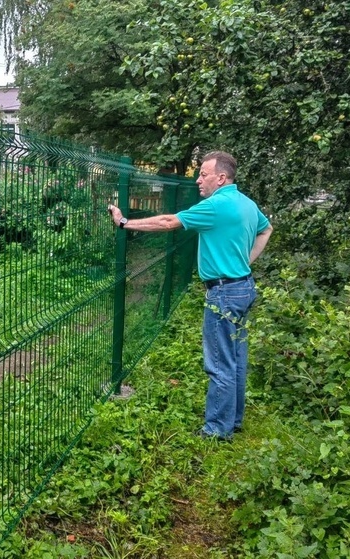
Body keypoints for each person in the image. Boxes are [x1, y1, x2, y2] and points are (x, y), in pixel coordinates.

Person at [109, 151, 273, 440]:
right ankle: (232, 421)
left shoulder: (216, 205)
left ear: (221, 178)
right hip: (244, 287)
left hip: (223, 292)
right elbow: (266, 229)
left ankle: (216, 432)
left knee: (220, 363)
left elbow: (167, 222)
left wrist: (124, 223)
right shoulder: (245, 203)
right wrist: (245, 262)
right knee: (235, 357)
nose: (198, 179)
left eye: (204, 174)